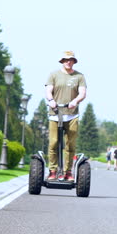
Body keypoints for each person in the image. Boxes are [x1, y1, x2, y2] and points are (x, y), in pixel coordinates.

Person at [45, 50, 87, 181]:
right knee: (54, 143)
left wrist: (75, 101)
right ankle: (52, 170)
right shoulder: (54, 75)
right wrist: (51, 101)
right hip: (55, 114)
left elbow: (82, 93)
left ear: (74, 61)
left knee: (70, 145)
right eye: (66, 59)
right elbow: (48, 90)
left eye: (71, 60)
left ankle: (68, 172)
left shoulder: (79, 76)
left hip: (71, 115)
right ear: (62, 61)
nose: (69, 62)